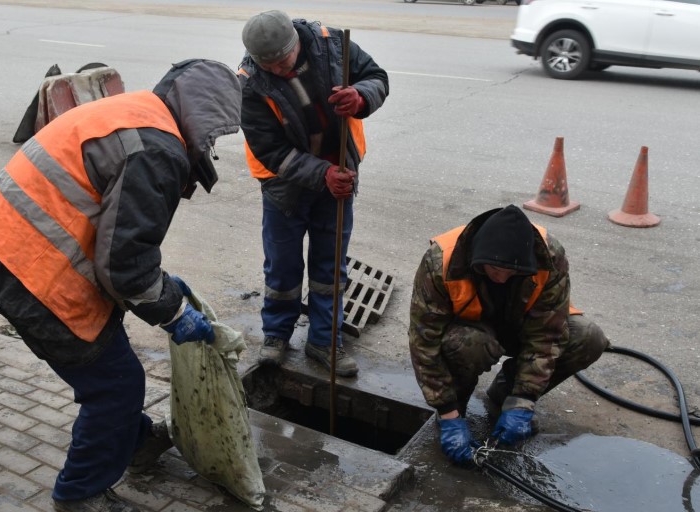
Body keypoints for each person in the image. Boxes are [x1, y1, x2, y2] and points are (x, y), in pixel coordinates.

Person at [0, 59, 241, 512]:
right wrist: (174, 311)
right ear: (203, 114)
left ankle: (135, 442)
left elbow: (116, 237)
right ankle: (80, 494)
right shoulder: (157, 149)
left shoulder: (138, 109)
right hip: (28, 268)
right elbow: (124, 267)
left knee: (110, 369)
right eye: (215, 133)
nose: (213, 143)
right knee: (116, 385)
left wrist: (160, 288)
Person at [237, 10, 389, 377]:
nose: (277, 70)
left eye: (282, 61)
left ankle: (325, 341)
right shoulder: (249, 82)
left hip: (338, 175)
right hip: (284, 185)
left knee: (329, 267)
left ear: (296, 45)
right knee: (283, 266)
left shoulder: (333, 46)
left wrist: (361, 97)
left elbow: (377, 78)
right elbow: (271, 150)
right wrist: (322, 174)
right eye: (268, 65)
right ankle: (276, 336)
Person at [408, 205, 609, 465]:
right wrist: (447, 411)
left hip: (521, 325)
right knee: (469, 345)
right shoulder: (440, 261)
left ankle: (505, 397)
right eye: (494, 271)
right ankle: (456, 407)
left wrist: (524, 398)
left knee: (588, 337)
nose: (501, 279)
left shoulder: (548, 256)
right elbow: (424, 341)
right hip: (471, 332)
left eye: (511, 273)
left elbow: (547, 335)